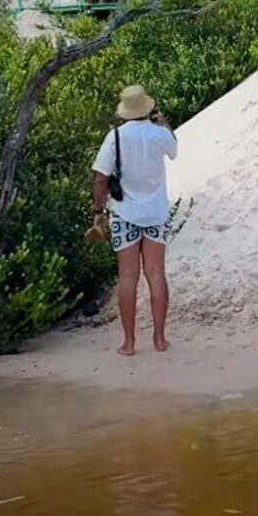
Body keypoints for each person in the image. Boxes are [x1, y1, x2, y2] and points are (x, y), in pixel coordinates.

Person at [89, 85, 176, 357]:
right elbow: (173, 150)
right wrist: (163, 122)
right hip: (156, 213)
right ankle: (160, 339)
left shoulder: (114, 137)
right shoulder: (160, 134)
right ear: (148, 108)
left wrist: (98, 210)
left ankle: (129, 343)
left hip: (125, 214)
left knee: (128, 276)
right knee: (156, 273)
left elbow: (101, 178)